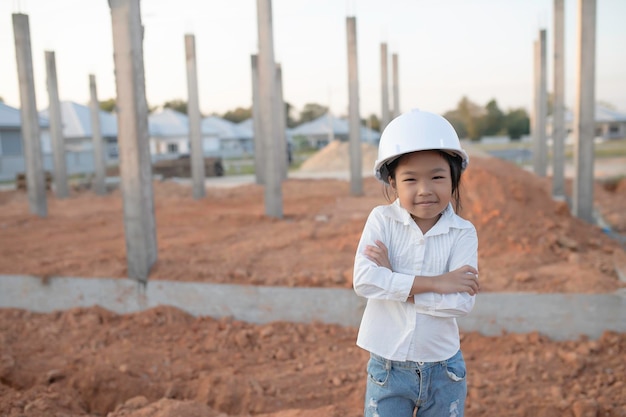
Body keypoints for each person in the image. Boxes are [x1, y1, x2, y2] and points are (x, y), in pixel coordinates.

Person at [353, 109, 480, 417]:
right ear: (393, 182)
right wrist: (437, 283)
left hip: (444, 370)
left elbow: (461, 303)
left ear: (453, 178)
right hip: (388, 368)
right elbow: (365, 280)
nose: (425, 189)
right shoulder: (381, 220)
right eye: (410, 179)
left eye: (437, 177)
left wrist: (395, 280)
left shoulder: (463, 232)